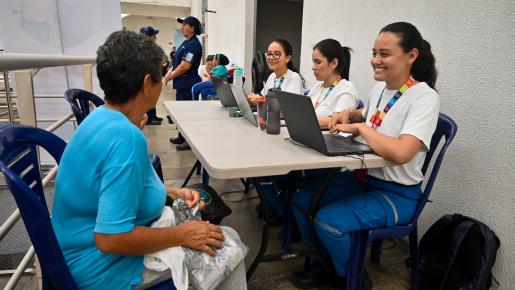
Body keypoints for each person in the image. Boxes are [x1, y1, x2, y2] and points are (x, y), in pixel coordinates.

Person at [51, 30, 246, 290]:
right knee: (226, 245)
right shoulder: (126, 139)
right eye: (160, 74)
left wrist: (172, 191)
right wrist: (181, 234)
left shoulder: (99, 119)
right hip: (103, 266)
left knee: (208, 236)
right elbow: (110, 238)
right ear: (146, 83)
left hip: (73, 250)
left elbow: (111, 187)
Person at [290, 22, 439, 289]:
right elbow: (371, 115)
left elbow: (403, 151)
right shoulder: (379, 89)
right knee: (301, 202)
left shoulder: (424, 97)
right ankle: (322, 264)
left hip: (397, 193)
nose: (375, 61)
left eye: (384, 54)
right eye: (374, 53)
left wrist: (360, 127)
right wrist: (351, 114)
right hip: (363, 180)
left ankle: (351, 277)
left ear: (412, 55)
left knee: (328, 222)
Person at [165, 16, 203, 151]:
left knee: (188, 114)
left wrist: (170, 77)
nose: (182, 28)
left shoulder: (193, 44)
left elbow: (185, 66)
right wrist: (170, 72)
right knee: (181, 113)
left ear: (192, 28)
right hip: (182, 83)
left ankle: (189, 141)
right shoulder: (186, 42)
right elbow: (177, 62)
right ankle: (182, 136)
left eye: (185, 25)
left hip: (188, 83)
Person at [308, 39, 358, 127]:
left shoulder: (346, 87)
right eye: (313, 62)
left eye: (318, 62)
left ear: (334, 63)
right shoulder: (318, 86)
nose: (313, 67)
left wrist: (304, 117)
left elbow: (337, 122)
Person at [248, 38, 304, 102]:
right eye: (269, 54)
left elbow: (290, 105)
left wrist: (260, 100)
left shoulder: (294, 77)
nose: (271, 58)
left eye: (277, 54)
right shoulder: (272, 76)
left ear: (287, 58)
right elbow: (264, 97)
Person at [139, 26, 163, 125]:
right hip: (147, 75)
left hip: (151, 74)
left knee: (152, 94)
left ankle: (153, 115)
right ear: (149, 36)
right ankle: (149, 117)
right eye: (154, 35)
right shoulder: (144, 48)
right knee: (147, 95)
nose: (155, 38)